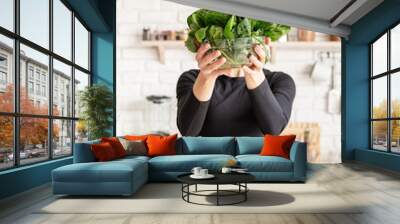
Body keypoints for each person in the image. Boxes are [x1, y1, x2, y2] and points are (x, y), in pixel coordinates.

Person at [176, 40, 296, 137]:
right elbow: (188, 132)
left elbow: (274, 130)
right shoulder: (192, 79)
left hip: (257, 166)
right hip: (207, 165)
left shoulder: (279, 81)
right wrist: (206, 78)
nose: (234, 43)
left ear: (265, 41)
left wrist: (254, 76)